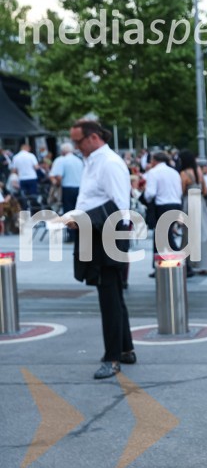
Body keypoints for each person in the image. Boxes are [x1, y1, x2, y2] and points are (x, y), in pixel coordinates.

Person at [65, 120, 135, 379]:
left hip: (107, 236)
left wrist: (83, 219)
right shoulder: (95, 161)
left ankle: (112, 358)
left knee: (109, 298)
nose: (76, 147)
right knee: (113, 294)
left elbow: (120, 207)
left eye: (78, 141)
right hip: (98, 233)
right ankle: (125, 349)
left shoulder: (109, 162)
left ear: (93, 137)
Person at [143, 152, 185, 278]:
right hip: (175, 204)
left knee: (163, 237)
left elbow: (150, 193)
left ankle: (182, 264)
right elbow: (179, 191)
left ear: (155, 160)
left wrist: (145, 197)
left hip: (162, 206)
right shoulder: (174, 172)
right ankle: (161, 265)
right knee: (164, 236)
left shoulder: (153, 172)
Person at [179, 149, 207, 275]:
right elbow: (205, 190)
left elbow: (181, 190)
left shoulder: (184, 174)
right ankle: (205, 264)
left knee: (189, 232)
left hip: (189, 202)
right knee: (203, 231)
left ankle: (189, 262)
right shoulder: (199, 171)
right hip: (200, 201)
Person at [49, 142, 84, 241]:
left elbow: (58, 177)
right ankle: (79, 233)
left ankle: (71, 234)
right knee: (78, 211)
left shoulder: (62, 161)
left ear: (63, 151)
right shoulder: (79, 160)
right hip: (79, 188)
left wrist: (57, 185)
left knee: (68, 212)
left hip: (67, 188)